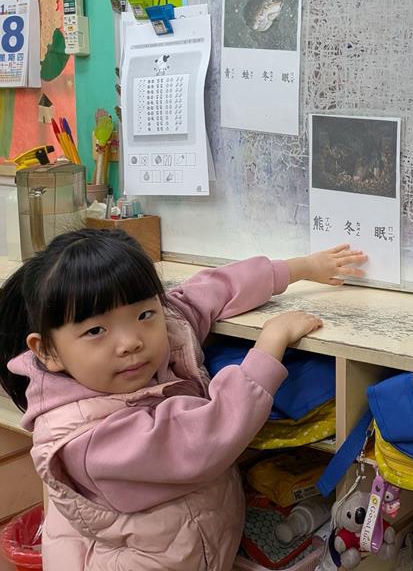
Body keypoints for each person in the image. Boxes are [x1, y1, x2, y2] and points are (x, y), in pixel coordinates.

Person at [0, 228, 367, 570]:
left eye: (144, 313)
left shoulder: (156, 329)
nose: (131, 342)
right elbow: (207, 435)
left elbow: (206, 292)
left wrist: (302, 267)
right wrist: (271, 343)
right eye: (96, 330)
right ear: (48, 351)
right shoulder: (91, 440)